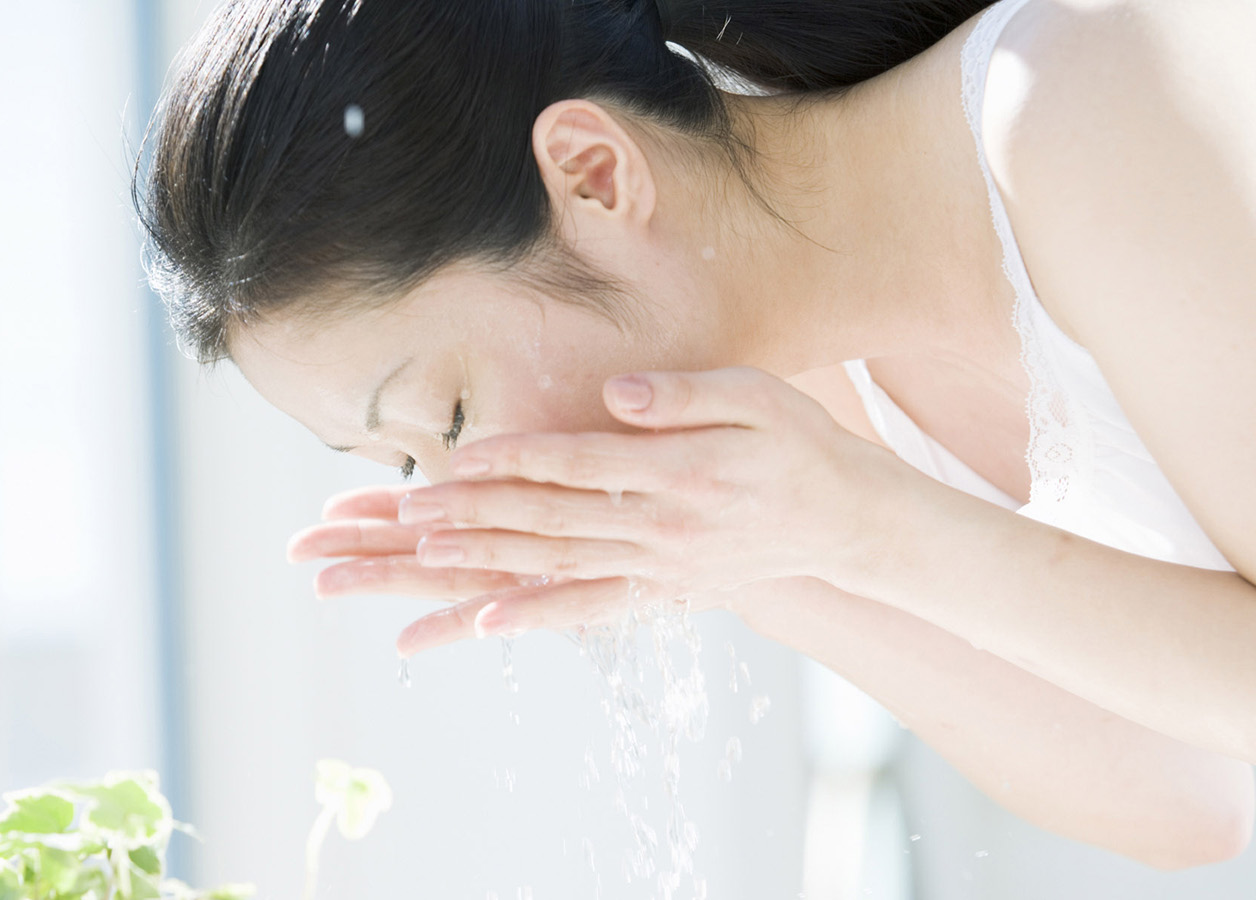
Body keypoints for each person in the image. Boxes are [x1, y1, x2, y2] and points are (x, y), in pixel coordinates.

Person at [134, 0, 1256, 871]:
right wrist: (758, 567)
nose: (465, 490)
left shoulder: (1075, 109)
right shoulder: (814, 394)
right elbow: (1191, 794)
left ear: (594, 172)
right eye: (412, 467)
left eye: (451, 418)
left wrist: (874, 529)